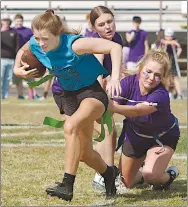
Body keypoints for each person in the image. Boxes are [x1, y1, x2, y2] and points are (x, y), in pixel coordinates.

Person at [13, 9, 122, 201]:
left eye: (45, 38)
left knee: (70, 126)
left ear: (58, 34)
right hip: (69, 96)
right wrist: (17, 69)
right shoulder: (37, 43)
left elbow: (115, 47)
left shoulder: (75, 44)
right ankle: (109, 173)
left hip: (91, 93)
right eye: (37, 38)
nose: (40, 43)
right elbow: (23, 50)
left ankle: (67, 185)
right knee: (84, 154)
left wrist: (114, 79)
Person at [109, 49, 180, 191]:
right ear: (140, 68)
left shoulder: (161, 94)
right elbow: (111, 106)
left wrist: (112, 108)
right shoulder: (127, 83)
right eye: (148, 71)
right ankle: (141, 168)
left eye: (158, 75)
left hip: (162, 137)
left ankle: (169, 176)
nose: (151, 77)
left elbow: (138, 110)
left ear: (163, 77)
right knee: (126, 183)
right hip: (135, 135)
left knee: (151, 176)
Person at [87, 5, 123, 190]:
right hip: (80, 93)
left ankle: (102, 175)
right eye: (101, 24)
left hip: (94, 90)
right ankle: (106, 176)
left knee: (110, 132)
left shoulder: (117, 39)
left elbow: (111, 71)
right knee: (107, 130)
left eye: (110, 21)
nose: (108, 27)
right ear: (94, 28)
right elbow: (97, 78)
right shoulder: (95, 44)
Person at [13, 13, 40, 100]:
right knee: (17, 78)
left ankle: (34, 94)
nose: (19, 23)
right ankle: (20, 95)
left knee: (31, 76)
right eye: (17, 21)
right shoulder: (11, 30)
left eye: (20, 21)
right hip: (15, 57)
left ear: (22, 21)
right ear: (14, 21)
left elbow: (34, 41)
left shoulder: (28, 31)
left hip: (27, 57)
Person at [160, 28, 183, 100]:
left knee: (175, 78)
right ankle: (169, 93)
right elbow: (164, 42)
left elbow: (179, 48)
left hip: (173, 62)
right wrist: (173, 42)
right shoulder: (163, 41)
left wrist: (177, 51)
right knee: (167, 79)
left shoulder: (175, 41)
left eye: (170, 36)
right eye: (167, 36)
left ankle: (179, 94)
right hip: (166, 62)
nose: (169, 38)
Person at [1, 14, 20, 99]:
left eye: (7, 20)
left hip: (11, 59)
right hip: (1, 59)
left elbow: (17, 46)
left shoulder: (13, 32)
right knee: (0, 78)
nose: (6, 22)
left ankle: (5, 96)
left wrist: (17, 59)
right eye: (4, 20)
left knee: (7, 79)